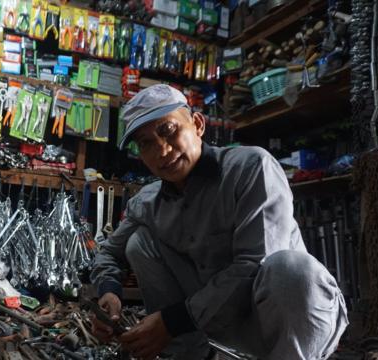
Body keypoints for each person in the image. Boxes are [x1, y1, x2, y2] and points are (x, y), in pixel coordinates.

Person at [90, 84, 348, 360]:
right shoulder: (147, 202)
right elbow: (108, 253)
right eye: (146, 144)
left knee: (292, 269)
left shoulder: (251, 168)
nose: (162, 151)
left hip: (284, 323)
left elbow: (254, 263)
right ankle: (191, 355)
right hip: (223, 329)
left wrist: (171, 321)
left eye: (168, 130)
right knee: (138, 242)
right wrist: (109, 293)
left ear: (198, 124)